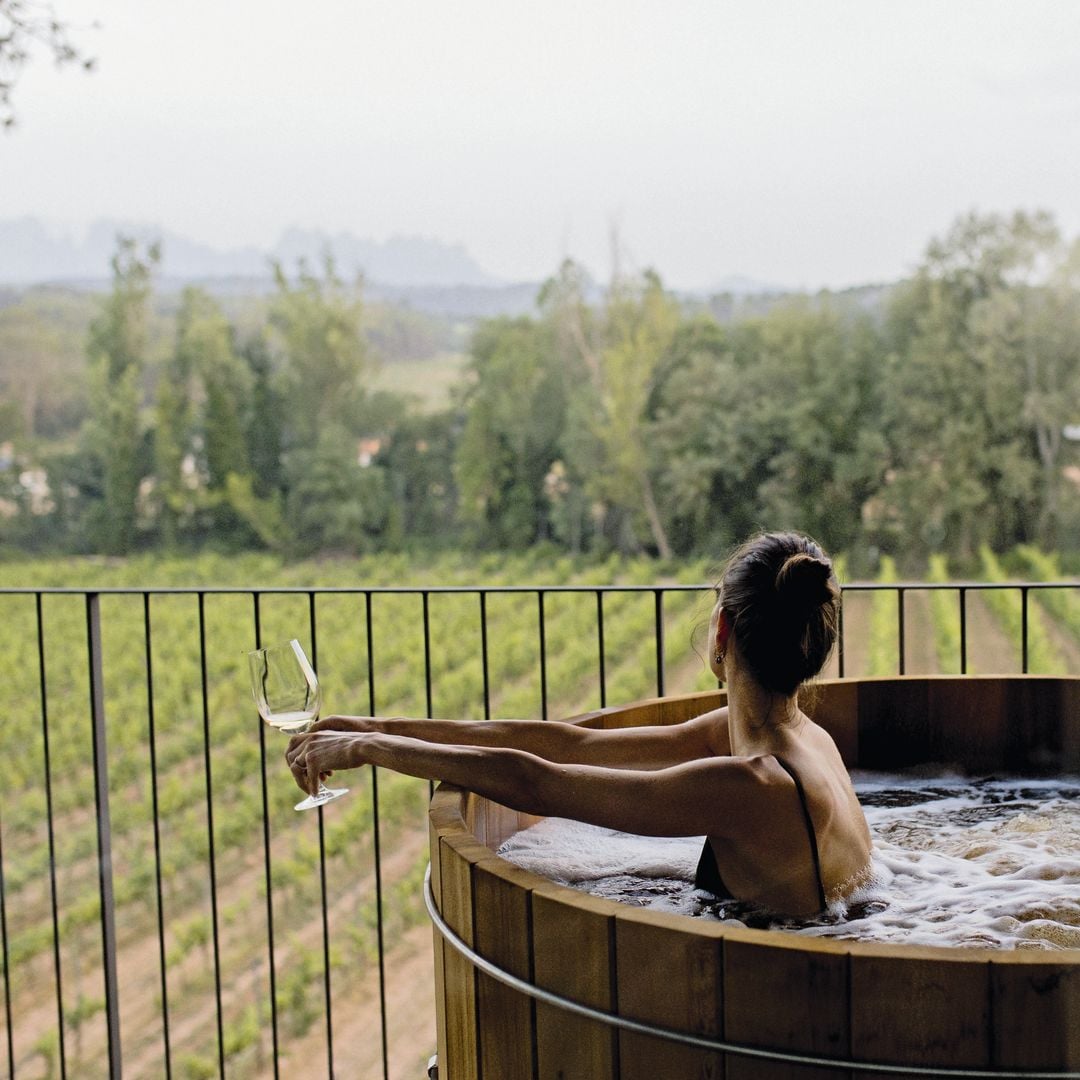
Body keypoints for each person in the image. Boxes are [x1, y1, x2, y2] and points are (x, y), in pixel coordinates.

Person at [285, 532, 873, 915]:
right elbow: (571, 744)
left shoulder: (752, 787)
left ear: (721, 631)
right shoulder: (803, 740)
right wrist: (379, 726)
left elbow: (540, 783)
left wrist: (368, 748)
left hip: (786, 1008)